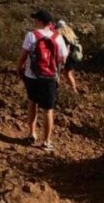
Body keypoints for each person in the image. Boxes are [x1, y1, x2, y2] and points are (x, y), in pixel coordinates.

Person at [17, 10, 67, 151]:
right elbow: (63, 59)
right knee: (48, 110)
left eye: (36, 19)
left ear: (40, 21)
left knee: (32, 103)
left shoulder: (31, 35)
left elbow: (23, 56)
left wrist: (18, 68)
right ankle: (46, 141)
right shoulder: (58, 37)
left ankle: (32, 133)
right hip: (50, 77)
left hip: (32, 76)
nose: (34, 21)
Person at [55, 20, 81, 94]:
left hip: (66, 58)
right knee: (67, 74)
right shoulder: (70, 32)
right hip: (71, 58)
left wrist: (63, 61)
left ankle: (57, 91)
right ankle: (74, 90)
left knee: (58, 74)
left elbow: (67, 48)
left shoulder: (62, 35)